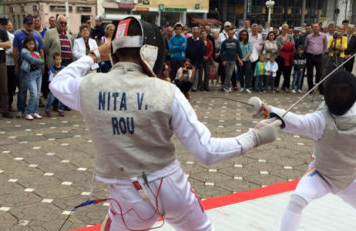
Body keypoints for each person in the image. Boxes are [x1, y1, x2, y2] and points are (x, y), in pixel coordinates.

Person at [49, 16, 281, 231]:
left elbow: (58, 82)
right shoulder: (167, 92)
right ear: (152, 52)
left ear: (113, 53)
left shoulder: (89, 87)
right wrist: (255, 136)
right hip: (171, 191)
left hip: (124, 198)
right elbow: (207, 151)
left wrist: (95, 55)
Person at [269, 70, 356, 231]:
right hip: (322, 175)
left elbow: (298, 123)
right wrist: (267, 109)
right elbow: (298, 122)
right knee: (297, 200)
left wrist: (267, 109)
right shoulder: (321, 119)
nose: (339, 95)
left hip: (350, 177)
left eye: (343, 90)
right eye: (335, 91)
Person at [13, 15, 45, 118]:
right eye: (28, 24)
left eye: (31, 23)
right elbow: (15, 51)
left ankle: (34, 110)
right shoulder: (18, 35)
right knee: (22, 89)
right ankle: (21, 109)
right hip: (24, 68)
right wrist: (17, 66)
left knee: (36, 92)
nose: (30, 25)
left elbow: (41, 50)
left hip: (36, 69)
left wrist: (42, 65)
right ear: (24, 24)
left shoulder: (38, 35)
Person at [21, 36, 44, 120]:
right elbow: (33, 60)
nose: (31, 46)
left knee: (38, 94)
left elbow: (39, 64)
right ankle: (29, 112)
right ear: (26, 44)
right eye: (29, 44)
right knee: (33, 94)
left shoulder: (36, 53)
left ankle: (35, 111)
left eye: (33, 44)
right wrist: (40, 61)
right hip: (30, 74)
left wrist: (37, 61)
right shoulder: (24, 51)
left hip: (38, 73)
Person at [0, 18, 16, 112]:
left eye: (6, 24)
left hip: (10, 64)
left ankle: (9, 105)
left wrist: (3, 50)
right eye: (3, 24)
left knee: (10, 86)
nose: (5, 26)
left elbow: (13, 50)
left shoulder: (11, 37)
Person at [304, 23, 327, 94]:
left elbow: (325, 46)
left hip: (319, 56)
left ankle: (320, 88)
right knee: (309, 73)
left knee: (320, 72)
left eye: (317, 27)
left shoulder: (323, 36)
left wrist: (319, 51)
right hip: (310, 56)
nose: (315, 28)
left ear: (319, 27)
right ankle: (310, 88)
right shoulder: (308, 36)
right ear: (312, 28)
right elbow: (305, 46)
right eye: (314, 27)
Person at [45, 53, 65, 117]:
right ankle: (47, 109)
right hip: (54, 86)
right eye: (57, 59)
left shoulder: (64, 68)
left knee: (62, 98)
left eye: (59, 59)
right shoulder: (52, 69)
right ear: (54, 60)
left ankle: (61, 110)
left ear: (61, 60)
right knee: (51, 98)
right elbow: (50, 78)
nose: (58, 61)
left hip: (61, 86)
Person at [276, 24, 295, 92]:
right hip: (280, 57)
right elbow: (280, 47)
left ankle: (286, 86)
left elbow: (292, 46)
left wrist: (285, 46)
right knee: (278, 72)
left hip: (289, 57)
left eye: (286, 29)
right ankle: (276, 86)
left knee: (287, 73)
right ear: (282, 29)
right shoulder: (278, 37)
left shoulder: (290, 37)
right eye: (284, 29)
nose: (285, 30)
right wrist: (288, 45)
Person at [185, 27, 204, 92]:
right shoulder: (188, 40)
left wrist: (198, 63)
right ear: (192, 33)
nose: (196, 34)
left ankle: (194, 87)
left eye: (197, 33)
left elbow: (202, 53)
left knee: (195, 74)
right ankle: (188, 87)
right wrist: (187, 60)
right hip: (189, 60)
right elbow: (186, 50)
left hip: (197, 61)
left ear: (199, 33)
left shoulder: (201, 42)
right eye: (194, 32)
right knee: (188, 74)